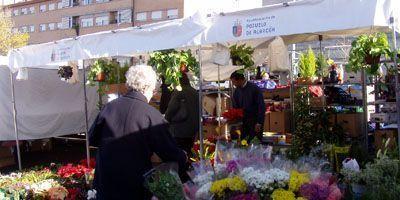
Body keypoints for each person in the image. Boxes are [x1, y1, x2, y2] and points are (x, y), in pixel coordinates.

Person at [89, 65, 187, 200]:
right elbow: (168, 151)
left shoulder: (109, 107)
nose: (153, 93)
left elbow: (92, 138)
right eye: (154, 89)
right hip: (133, 186)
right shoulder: (151, 115)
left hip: (105, 182)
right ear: (148, 87)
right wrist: (183, 156)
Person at [165, 73, 199, 155]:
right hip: (193, 128)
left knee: (181, 152)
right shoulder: (195, 92)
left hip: (180, 128)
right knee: (190, 150)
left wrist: (166, 119)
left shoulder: (179, 91)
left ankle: (183, 166)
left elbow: (171, 109)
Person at [230, 70, 266, 141]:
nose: (233, 84)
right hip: (243, 123)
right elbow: (236, 107)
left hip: (254, 122)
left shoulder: (255, 89)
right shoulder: (237, 91)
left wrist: (259, 122)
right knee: (244, 144)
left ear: (240, 80)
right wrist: (236, 122)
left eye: (234, 82)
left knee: (255, 144)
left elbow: (261, 107)